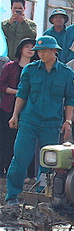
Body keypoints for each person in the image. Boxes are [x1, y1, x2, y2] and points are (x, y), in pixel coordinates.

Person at [5, 36, 74, 205]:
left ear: (54, 51)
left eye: (44, 51)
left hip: (52, 123)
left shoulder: (67, 73)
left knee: (48, 162)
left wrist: (68, 121)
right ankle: (12, 196)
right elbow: (22, 94)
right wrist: (15, 115)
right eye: (39, 51)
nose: (41, 54)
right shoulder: (30, 70)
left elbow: (70, 99)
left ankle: (43, 193)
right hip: (29, 120)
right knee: (20, 158)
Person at [0, 38, 35, 176]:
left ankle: (28, 172)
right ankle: (4, 168)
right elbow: (1, 85)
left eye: (32, 47)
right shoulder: (9, 66)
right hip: (8, 107)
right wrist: (18, 92)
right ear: (21, 49)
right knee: (7, 140)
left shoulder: (37, 67)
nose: (30, 49)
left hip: (29, 109)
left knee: (26, 142)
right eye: (27, 46)